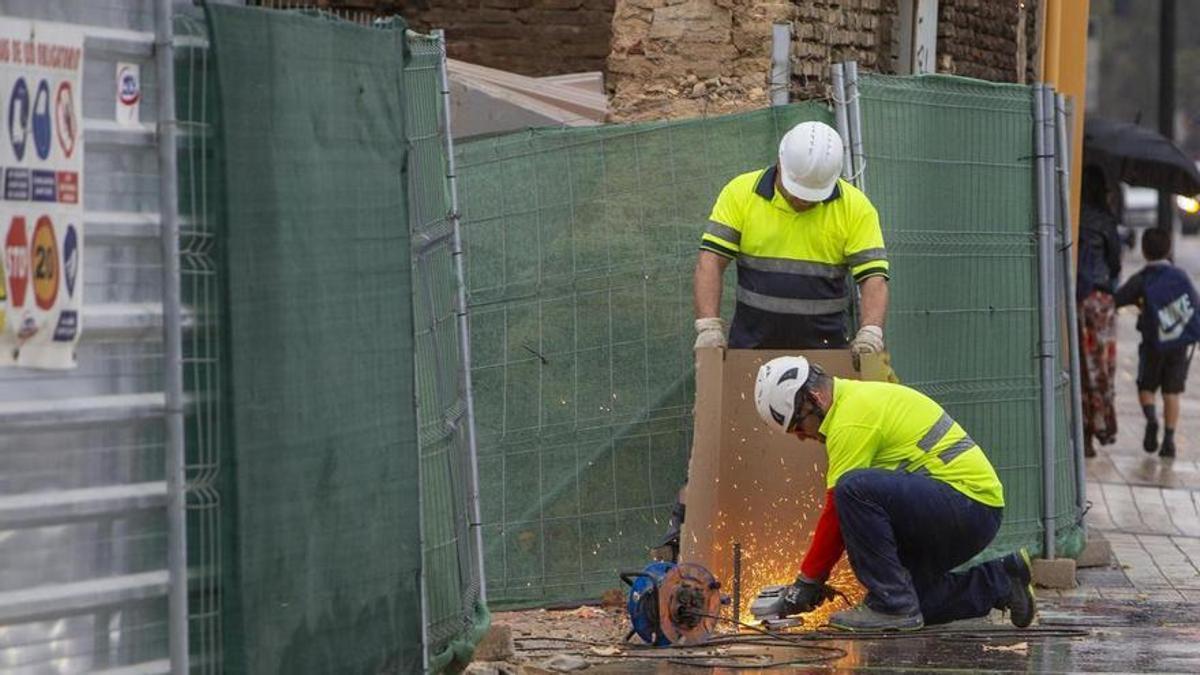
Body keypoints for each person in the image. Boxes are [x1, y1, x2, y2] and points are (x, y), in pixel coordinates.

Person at [656, 121, 892, 559]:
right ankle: (692, 552)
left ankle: (824, 555)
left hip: (825, 367)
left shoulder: (855, 208)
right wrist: (708, 328)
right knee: (722, 452)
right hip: (748, 356)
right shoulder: (741, 194)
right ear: (780, 164)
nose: (803, 199)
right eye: (798, 190)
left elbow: (873, 278)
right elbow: (710, 262)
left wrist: (870, 333)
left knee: (823, 469)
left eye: (813, 194)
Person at [751, 355, 1035, 631]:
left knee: (852, 489)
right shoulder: (851, 404)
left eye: (798, 425)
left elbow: (837, 510)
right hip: (961, 510)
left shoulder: (852, 417)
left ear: (814, 398)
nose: (801, 436)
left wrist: (807, 582)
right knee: (916, 600)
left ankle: (892, 606)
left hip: (968, 506)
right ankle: (1001, 580)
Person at [1114, 228, 1200, 458]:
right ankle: (1169, 439)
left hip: (1153, 344)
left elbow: (1117, 300)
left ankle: (1151, 419)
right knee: (1172, 391)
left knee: (1146, 386)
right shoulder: (1181, 276)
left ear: (1144, 251)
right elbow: (1195, 305)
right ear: (1168, 250)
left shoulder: (1142, 279)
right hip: (1179, 344)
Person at [1076, 166, 1123, 457]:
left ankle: (1081, 429)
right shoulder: (1105, 221)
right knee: (1102, 368)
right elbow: (1115, 264)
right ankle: (1099, 425)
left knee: (1080, 366)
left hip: (1075, 298)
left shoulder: (1072, 214)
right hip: (1101, 302)